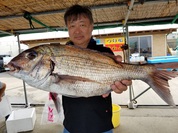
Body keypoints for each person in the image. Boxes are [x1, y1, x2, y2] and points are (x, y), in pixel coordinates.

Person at [62, 4, 132, 133]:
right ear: (68, 29)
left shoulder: (104, 52)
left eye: (82, 25)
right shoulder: (61, 54)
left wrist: (120, 84)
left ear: (91, 26)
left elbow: (115, 83)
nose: (77, 31)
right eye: (72, 26)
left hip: (101, 124)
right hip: (71, 125)